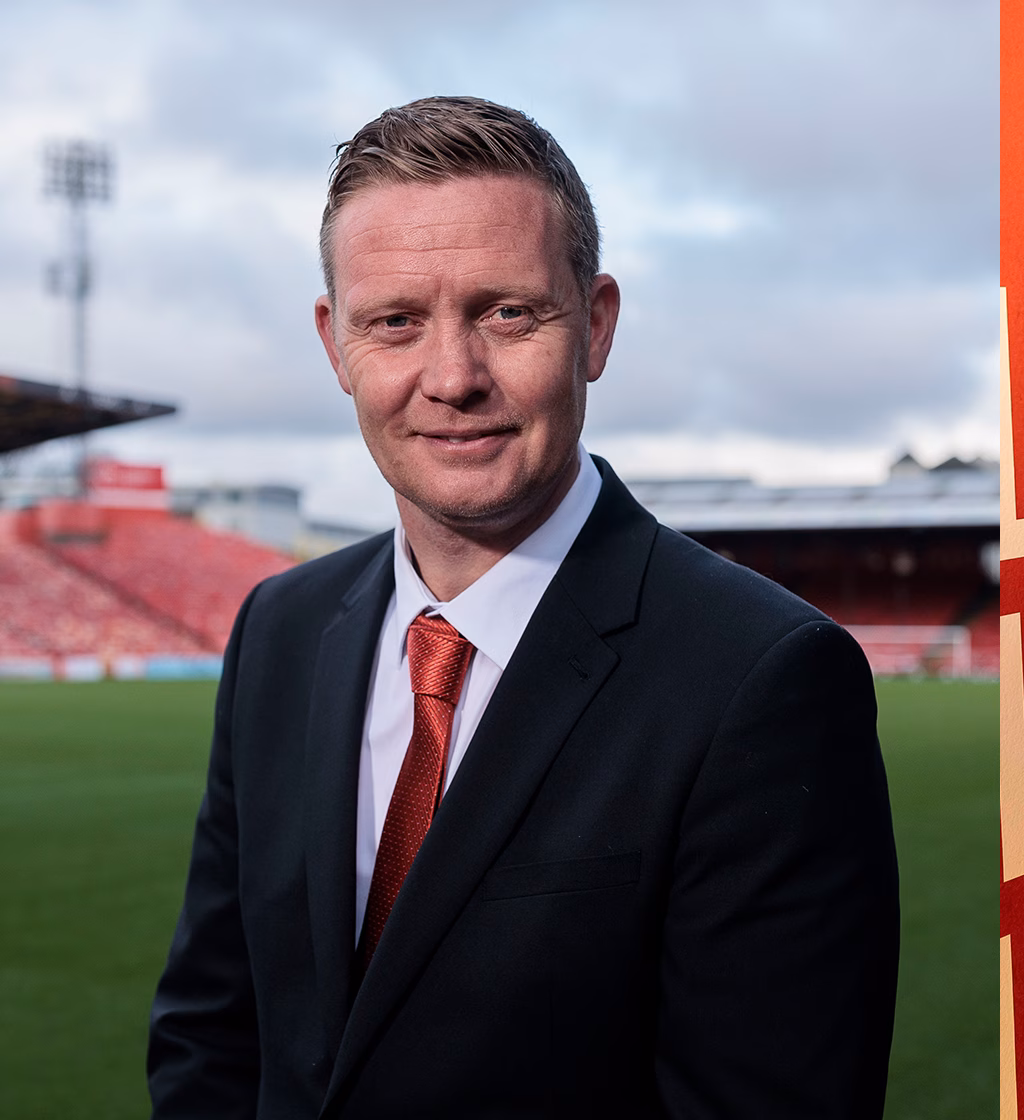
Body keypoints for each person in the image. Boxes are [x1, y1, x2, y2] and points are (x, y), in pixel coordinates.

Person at [147, 96, 900, 1119]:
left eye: (507, 312)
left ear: (593, 325)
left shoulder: (763, 677)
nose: (452, 376)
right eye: (395, 322)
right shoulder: (281, 628)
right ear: (335, 345)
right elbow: (210, 1029)